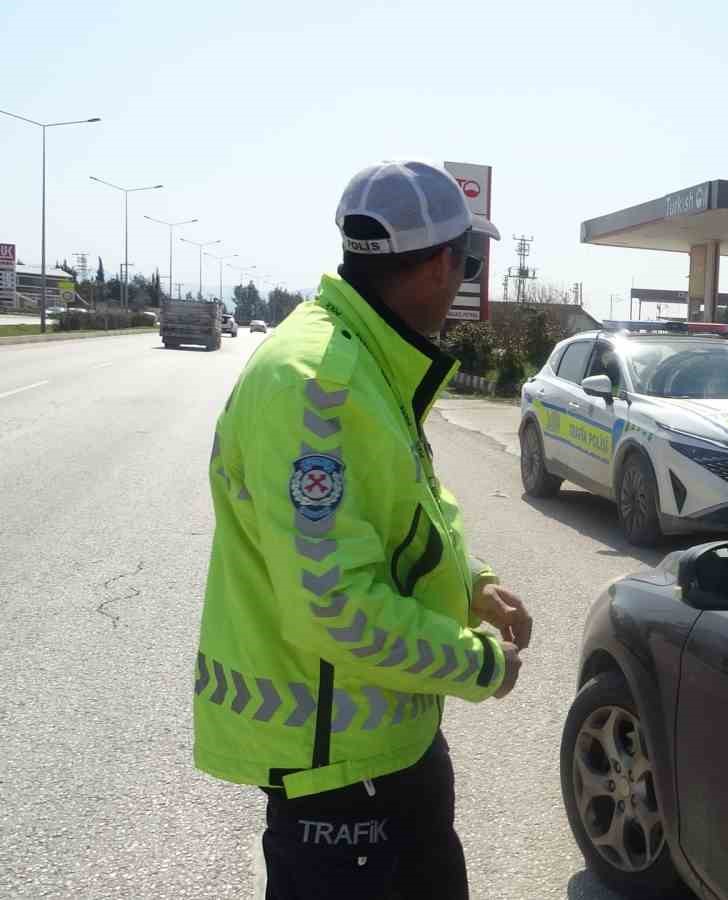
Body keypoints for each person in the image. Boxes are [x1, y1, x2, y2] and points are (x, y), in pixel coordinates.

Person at [191, 160, 531, 899]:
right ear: (443, 264)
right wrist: (477, 664)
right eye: (470, 261)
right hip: (341, 775)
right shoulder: (319, 383)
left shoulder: (369, 359)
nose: (467, 276)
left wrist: (473, 586)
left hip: (387, 755)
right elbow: (334, 609)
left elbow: (403, 510)